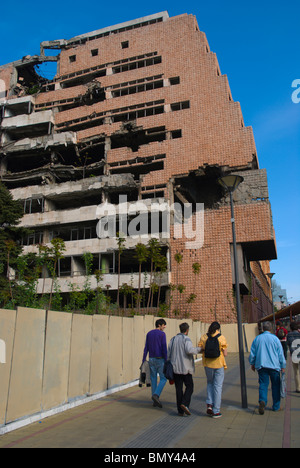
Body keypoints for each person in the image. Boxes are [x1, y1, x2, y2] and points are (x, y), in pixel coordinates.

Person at [249, 321, 286, 414]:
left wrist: (252, 363)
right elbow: (280, 354)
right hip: (274, 366)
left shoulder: (257, 339)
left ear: (263, 329)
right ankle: (276, 406)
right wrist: (283, 365)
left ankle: (262, 401)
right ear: (271, 329)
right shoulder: (275, 339)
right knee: (276, 386)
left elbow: (252, 353)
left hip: (261, 366)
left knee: (263, 384)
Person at [168, 322, 201, 416]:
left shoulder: (173, 339)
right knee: (190, 387)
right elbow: (189, 350)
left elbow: (168, 353)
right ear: (187, 330)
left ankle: (180, 411)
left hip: (175, 368)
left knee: (178, 389)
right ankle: (185, 403)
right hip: (186, 368)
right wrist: (199, 349)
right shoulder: (186, 339)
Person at [198, 321, 228, 418]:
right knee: (218, 387)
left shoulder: (204, 337)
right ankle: (216, 411)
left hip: (207, 364)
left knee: (210, 383)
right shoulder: (221, 337)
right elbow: (225, 353)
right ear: (218, 329)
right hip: (218, 364)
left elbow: (200, 349)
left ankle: (209, 404)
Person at [142, 318, 168, 408]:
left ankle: (154, 400)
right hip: (160, 359)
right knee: (163, 378)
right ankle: (156, 395)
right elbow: (164, 348)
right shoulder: (162, 334)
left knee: (153, 379)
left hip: (151, 359)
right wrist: (166, 359)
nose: (164, 327)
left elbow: (146, 348)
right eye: (164, 325)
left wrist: (143, 360)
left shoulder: (149, 334)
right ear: (160, 325)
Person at [287, 321, 300, 393]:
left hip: (294, 355)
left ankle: (298, 388)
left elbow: (288, 344)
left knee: (296, 372)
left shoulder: (289, 335)